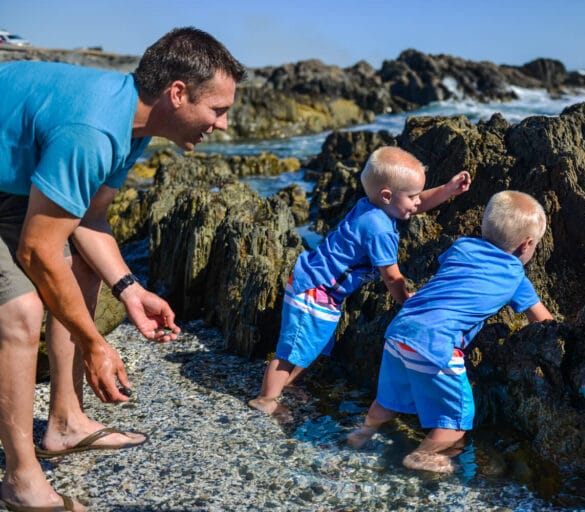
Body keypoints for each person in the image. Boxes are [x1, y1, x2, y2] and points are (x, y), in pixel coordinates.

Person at [0, 27, 246, 511]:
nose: (221, 125)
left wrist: (129, 289)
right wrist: (95, 343)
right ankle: (20, 477)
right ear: (178, 93)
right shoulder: (93, 130)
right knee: (22, 311)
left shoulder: (132, 123)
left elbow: (90, 217)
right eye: (217, 110)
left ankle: (66, 423)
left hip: (11, 180)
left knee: (86, 271)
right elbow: (36, 252)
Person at [247, 146, 472, 417]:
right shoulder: (378, 230)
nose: (416, 202)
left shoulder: (375, 206)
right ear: (387, 196)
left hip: (322, 290)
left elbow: (416, 204)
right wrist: (407, 303)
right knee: (291, 349)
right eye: (412, 196)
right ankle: (265, 399)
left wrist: (447, 189)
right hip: (316, 290)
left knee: (313, 344)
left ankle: (286, 386)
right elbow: (391, 276)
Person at [347, 190, 554, 473]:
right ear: (526, 245)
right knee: (456, 421)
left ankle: (362, 434)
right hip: (438, 344)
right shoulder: (515, 276)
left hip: (400, 330)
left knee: (388, 400)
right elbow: (544, 322)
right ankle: (423, 454)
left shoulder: (462, 246)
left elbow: (449, 272)